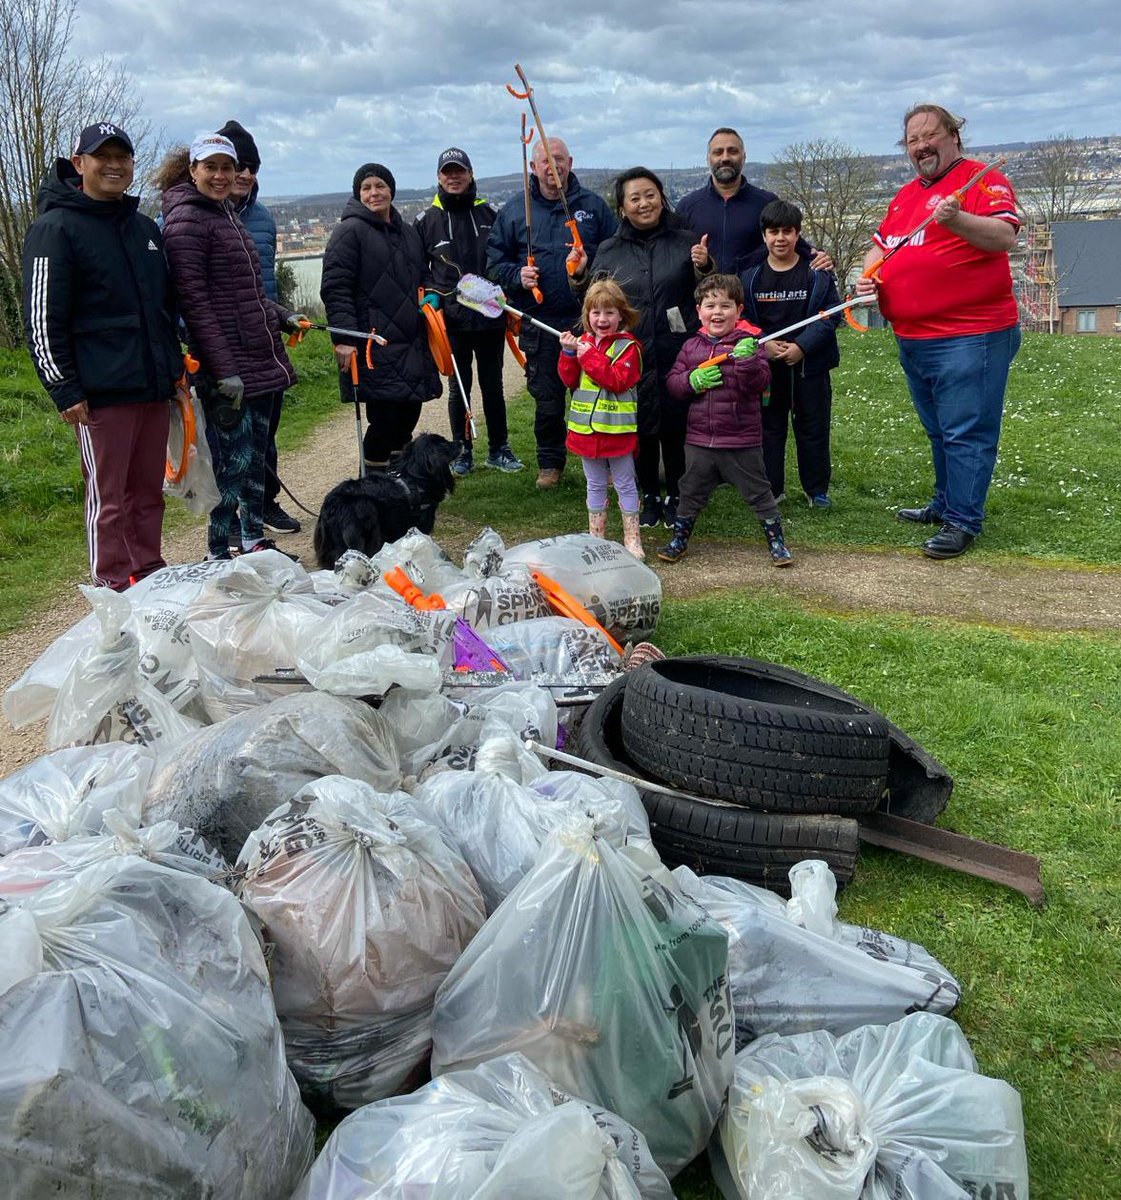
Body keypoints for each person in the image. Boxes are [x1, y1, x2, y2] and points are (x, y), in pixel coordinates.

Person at [856, 104, 1021, 559]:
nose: (921, 145)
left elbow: (1003, 237)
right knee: (940, 429)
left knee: (966, 429)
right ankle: (947, 502)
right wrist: (866, 277)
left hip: (971, 334)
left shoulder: (981, 180)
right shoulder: (906, 196)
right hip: (914, 336)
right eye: (912, 139)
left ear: (954, 136)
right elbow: (880, 246)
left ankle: (963, 521)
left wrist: (956, 219)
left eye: (930, 135)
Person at [23, 121, 182, 592]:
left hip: (152, 385)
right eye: (102, 157)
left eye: (122, 157)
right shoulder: (55, 228)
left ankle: (148, 573)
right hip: (99, 395)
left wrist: (173, 370)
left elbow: (163, 310)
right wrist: (63, 388)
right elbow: (41, 318)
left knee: (148, 494)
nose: (114, 165)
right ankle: (111, 585)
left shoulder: (144, 228)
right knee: (108, 498)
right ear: (79, 164)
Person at [158, 132, 302, 561]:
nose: (222, 176)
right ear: (193, 170)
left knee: (256, 459)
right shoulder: (187, 221)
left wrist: (280, 314)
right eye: (212, 167)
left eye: (228, 167)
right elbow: (195, 303)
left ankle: (254, 542)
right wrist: (223, 370)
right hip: (228, 366)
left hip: (257, 355)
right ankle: (220, 552)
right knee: (232, 465)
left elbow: (248, 291)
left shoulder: (224, 213)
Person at [574, 167, 714, 533]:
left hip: (676, 347)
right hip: (630, 353)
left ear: (661, 196)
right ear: (622, 208)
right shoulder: (608, 249)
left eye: (650, 194)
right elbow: (596, 301)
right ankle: (648, 493)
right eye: (634, 198)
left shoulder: (687, 241)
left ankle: (680, 495)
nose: (644, 203)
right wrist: (578, 276)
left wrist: (705, 267)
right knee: (639, 422)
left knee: (675, 420)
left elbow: (709, 293)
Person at [487, 136, 616, 489]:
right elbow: (494, 264)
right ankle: (550, 463)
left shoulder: (593, 206)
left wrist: (592, 270)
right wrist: (517, 275)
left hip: (590, 322)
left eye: (558, 159)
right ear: (533, 167)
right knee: (547, 399)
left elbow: (617, 252)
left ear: (570, 163)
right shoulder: (515, 210)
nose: (553, 166)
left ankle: (603, 462)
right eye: (545, 160)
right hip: (540, 323)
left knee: (594, 395)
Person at [661, 274, 791, 567]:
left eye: (725, 305)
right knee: (690, 491)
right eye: (710, 305)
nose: (717, 312)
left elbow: (758, 384)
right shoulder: (691, 347)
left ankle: (777, 542)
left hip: (741, 440)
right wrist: (691, 381)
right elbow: (673, 383)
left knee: (759, 492)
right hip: (699, 440)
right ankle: (679, 539)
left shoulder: (752, 344)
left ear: (739, 310)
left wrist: (746, 361)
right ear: (699, 311)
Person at [320, 162, 440, 472]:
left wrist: (431, 295)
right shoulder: (349, 232)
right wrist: (344, 338)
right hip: (374, 344)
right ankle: (372, 486)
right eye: (367, 187)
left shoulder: (409, 233)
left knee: (407, 418)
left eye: (380, 186)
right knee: (384, 422)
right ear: (358, 194)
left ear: (391, 190)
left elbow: (421, 277)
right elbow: (336, 288)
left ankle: (399, 485)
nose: (374, 193)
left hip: (411, 341)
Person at [414, 146, 523, 476]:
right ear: (438, 177)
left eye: (459, 170)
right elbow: (418, 269)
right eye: (447, 172)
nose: (453, 177)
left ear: (470, 174)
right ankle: (462, 451)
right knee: (459, 389)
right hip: (451, 321)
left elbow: (506, 259)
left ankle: (499, 448)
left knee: (493, 386)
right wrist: (430, 296)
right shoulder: (425, 221)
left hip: (490, 317)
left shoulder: (490, 215)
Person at [217, 118, 301, 535]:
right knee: (232, 442)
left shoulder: (264, 218)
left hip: (264, 341)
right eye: (238, 165)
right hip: (221, 348)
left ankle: (265, 504)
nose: (246, 174)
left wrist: (284, 316)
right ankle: (230, 520)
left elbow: (261, 284)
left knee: (266, 437)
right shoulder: (199, 215)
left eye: (252, 167)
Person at [742, 199, 842, 508]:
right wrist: (764, 344)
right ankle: (773, 489)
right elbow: (744, 320)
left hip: (809, 367)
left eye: (787, 231)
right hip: (768, 369)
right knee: (770, 429)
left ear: (798, 234)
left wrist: (802, 346)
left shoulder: (817, 273)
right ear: (764, 236)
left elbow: (831, 314)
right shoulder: (750, 277)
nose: (780, 238)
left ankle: (817, 490)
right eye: (774, 232)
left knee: (813, 427)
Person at [558, 279, 645, 558]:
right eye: (595, 313)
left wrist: (590, 357)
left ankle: (633, 539)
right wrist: (569, 354)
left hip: (617, 433)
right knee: (594, 484)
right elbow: (570, 379)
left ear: (621, 315)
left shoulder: (629, 348)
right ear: (588, 316)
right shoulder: (583, 343)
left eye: (609, 312)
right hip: (586, 432)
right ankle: (597, 538)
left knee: (625, 483)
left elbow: (618, 380)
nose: (602, 319)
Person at [678, 128, 827, 275]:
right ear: (708, 158)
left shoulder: (766, 203)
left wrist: (819, 256)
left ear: (744, 157)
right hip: (705, 297)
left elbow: (791, 241)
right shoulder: (687, 207)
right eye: (718, 152)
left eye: (733, 151)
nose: (725, 158)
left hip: (754, 296)